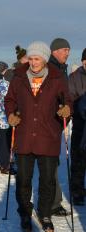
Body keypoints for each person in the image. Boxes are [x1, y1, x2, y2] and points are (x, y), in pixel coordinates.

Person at [5, 41, 72, 232]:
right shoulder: (18, 77)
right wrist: (11, 114)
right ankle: (25, 213)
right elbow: (9, 99)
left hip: (48, 135)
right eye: (31, 58)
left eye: (37, 59)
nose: (33, 63)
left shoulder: (57, 78)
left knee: (47, 180)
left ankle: (44, 213)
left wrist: (67, 109)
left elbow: (67, 100)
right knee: (24, 179)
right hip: (24, 134)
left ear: (44, 59)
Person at [49, 38, 71, 216]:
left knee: (53, 161)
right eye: (65, 49)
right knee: (49, 162)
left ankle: (53, 201)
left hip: (58, 121)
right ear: (55, 51)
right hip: (47, 121)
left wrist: (66, 108)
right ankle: (52, 202)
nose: (67, 53)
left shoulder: (62, 69)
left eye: (68, 50)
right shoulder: (50, 69)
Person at [0, 61, 15, 174]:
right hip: (4, 116)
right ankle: (5, 165)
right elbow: (9, 99)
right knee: (6, 142)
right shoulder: (4, 84)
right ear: (3, 70)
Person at [68, 48, 86, 205]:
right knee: (78, 161)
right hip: (80, 126)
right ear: (83, 61)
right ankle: (77, 191)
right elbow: (69, 98)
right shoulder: (74, 77)